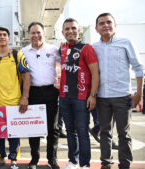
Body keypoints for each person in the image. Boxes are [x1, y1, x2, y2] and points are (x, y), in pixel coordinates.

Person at [93, 13, 144, 169]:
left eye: (109, 22)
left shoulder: (126, 43)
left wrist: (139, 94)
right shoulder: (93, 48)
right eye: (101, 23)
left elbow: (138, 68)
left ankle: (125, 165)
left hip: (122, 97)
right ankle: (106, 164)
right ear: (96, 28)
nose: (106, 25)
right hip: (102, 98)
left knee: (124, 134)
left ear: (115, 25)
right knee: (105, 133)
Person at [0, 27, 30, 169]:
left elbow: (26, 75)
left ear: (9, 38)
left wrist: (25, 97)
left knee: (14, 134)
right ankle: (0, 159)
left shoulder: (18, 55)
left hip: (15, 101)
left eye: (5, 35)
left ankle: (14, 160)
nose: (2, 37)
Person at [59, 18, 99, 169]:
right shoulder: (62, 48)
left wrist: (93, 95)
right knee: (70, 131)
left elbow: (95, 73)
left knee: (82, 131)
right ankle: (73, 161)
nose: (70, 31)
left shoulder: (86, 48)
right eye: (67, 29)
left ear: (78, 30)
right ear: (62, 32)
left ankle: (85, 164)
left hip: (82, 98)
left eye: (73, 28)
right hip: (64, 97)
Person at [21, 22, 60, 169]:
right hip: (33, 92)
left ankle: (52, 159)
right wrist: (24, 96)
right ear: (28, 35)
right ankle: (34, 159)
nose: (36, 35)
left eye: (39, 32)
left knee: (53, 128)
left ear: (44, 34)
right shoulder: (23, 52)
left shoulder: (54, 50)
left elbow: (66, 66)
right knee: (34, 128)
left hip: (51, 91)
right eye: (33, 32)